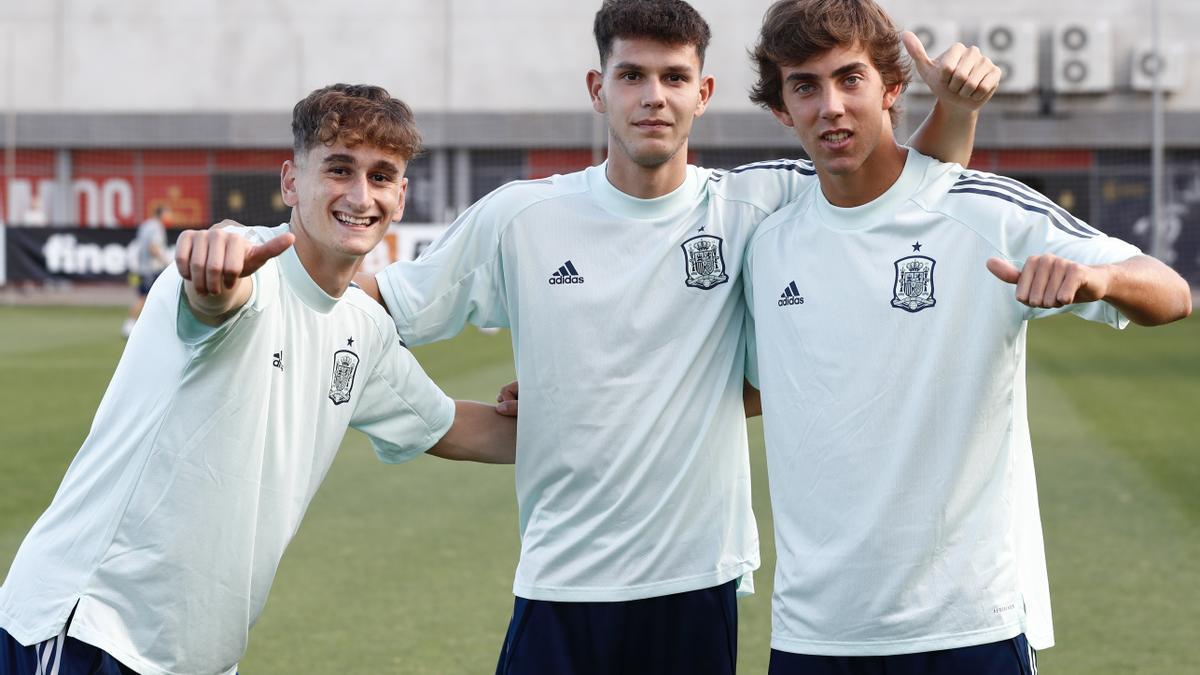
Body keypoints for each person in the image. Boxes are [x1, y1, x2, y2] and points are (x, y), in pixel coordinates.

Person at [350, 2, 1000, 672]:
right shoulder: (520, 215)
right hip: (561, 581)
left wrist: (956, 109)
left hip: (697, 584)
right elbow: (374, 305)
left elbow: (899, 193)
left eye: (673, 77)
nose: (652, 96)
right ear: (598, 89)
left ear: (703, 93)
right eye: (631, 75)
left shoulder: (758, 204)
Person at [0, 83, 517, 675]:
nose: (359, 195)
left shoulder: (364, 330)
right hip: (91, 631)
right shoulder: (247, 265)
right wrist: (212, 278)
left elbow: (459, 429)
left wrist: (586, 406)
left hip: (196, 656)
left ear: (401, 198)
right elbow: (215, 301)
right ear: (291, 182)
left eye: (380, 177)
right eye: (339, 168)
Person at [741, 1, 1193, 673]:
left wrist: (1097, 281)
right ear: (782, 107)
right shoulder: (765, 233)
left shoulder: (983, 209)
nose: (830, 105)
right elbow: (750, 387)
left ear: (893, 88)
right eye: (804, 85)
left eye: (850, 79)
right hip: (815, 634)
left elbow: (1171, 291)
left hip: (966, 627)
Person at [123, 205, 173, 338]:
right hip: (151, 269)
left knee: (148, 297)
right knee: (145, 298)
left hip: (142, 267)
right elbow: (153, 248)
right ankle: (129, 325)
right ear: (161, 213)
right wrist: (167, 262)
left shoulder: (145, 225)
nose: (170, 217)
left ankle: (141, 325)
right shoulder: (157, 227)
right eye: (168, 213)